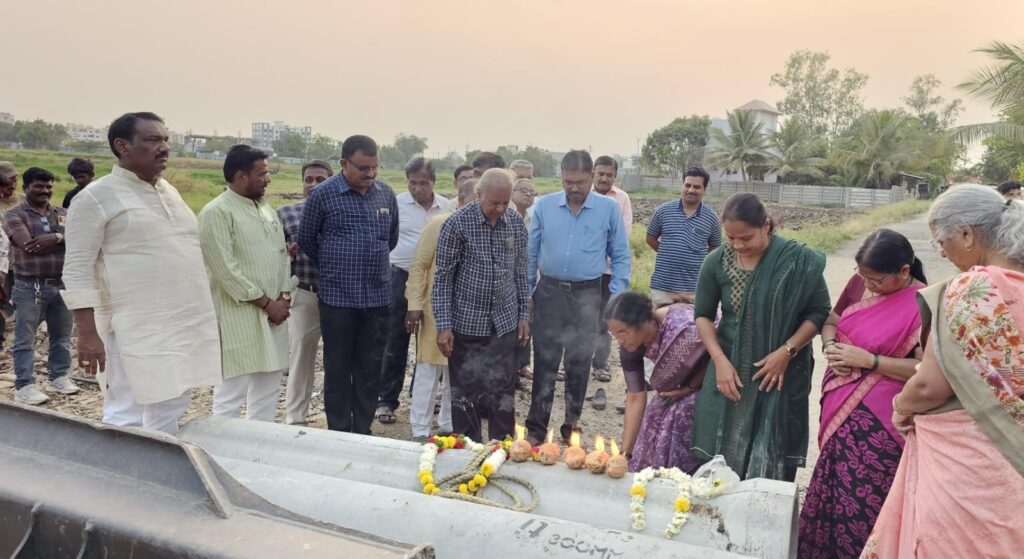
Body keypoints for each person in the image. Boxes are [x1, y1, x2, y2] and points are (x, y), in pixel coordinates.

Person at [863, 185, 1024, 557]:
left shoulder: (972, 290)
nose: (940, 252)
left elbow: (928, 387)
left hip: (969, 469)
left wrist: (901, 407)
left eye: (941, 241)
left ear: (967, 234)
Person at [62, 112, 221, 435]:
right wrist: (87, 334)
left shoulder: (169, 191)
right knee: (126, 412)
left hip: (182, 322)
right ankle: (121, 468)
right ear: (122, 146)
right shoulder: (94, 197)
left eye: (166, 140)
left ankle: (160, 462)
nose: (164, 148)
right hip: (133, 328)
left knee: (173, 402)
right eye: (153, 140)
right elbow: (77, 269)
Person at [797, 229, 927, 559]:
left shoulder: (925, 303)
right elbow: (831, 320)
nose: (868, 285)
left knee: (866, 504)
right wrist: (830, 346)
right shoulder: (861, 283)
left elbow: (925, 370)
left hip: (880, 425)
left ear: (904, 271)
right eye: (863, 275)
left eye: (877, 280)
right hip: (840, 405)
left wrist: (870, 361)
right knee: (831, 491)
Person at [691, 193, 830, 481]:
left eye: (746, 238)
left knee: (772, 455)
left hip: (780, 375)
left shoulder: (798, 261)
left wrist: (786, 352)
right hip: (730, 371)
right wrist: (719, 361)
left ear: (766, 226)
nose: (738, 245)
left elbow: (818, 312)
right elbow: (703, 314)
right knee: (720, 458)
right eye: (731, 237)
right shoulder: (716, 262)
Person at [525, 150, 631, 444]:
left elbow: (620, 254)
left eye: (580, 182)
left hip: (588, 294)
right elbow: (531, 254)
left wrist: (616, 296)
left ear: (592, 177)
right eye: (568, 182)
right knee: (545, 360)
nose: (573, 188)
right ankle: (535, 428)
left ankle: (571, 424)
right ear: (561, 176)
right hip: (549, 292)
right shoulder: (544, 206)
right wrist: (527, 293)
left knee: (579, 361)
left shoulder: (608, 208)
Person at [298, 134, 399, 434]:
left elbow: (391, 239)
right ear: (344, 163)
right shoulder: (323, 195)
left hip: (377, 298)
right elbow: (307, 240)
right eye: (363, 168)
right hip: (337, 299)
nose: (370, 174)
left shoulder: (385, 194)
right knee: (338, 370)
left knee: (370, 370)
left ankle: (363, 431)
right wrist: (336, 266)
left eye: (375, 167)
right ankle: (340, 432)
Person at [432, 169, 529, 443]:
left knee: (503, 390)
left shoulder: (515, 223)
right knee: (466, 392)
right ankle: (468, 450)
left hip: (505, 322)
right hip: (466, 323)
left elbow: (521, 272)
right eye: (494, 203)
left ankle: (502, 449)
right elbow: (443, 279)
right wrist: (444, 326)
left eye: (505, 202)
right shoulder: (457, 224)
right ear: (478, 194)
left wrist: (523, 314)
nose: (500, 209)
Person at [198, 145, 292, 422]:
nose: (268, 179)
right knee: (231, 396)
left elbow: (282, 256)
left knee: (267, 392)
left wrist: (284, 297)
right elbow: (225, 270)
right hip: (238, 318)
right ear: (241, 176)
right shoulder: (217, 212)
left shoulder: (266, 209)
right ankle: (221, 446)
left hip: (273, 317)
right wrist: (267, 304)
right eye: (262, 174)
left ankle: (259, 445)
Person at [377, 157, 449, 425]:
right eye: (412, 183)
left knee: (428, 342)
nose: (417, 188)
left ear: (433, 181)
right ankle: (386, 400)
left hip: (434, 284)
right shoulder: (396, 204)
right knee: (395, 339)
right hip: (400, 277)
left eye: (423, 183)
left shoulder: (447, 207)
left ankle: (420, 397)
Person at [405, 178, 479, 440]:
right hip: (435, 309)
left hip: (468, 313)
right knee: (429, 369)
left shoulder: (484, 229)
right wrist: (414, 304)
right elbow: (419, 265)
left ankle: (449, 424)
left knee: (456, 372)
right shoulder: (438, 224)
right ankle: (420, 429)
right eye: (476, 201)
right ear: (461, 200)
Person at [606, 292, 708, 473]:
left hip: (716, 373)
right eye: (615, 335)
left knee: (680, 410)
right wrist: (624, 454)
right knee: (655, 411)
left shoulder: (682, 327)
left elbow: (713, 353)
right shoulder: (630, 348)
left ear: (642, 323)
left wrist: (689, 387)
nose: (620, 341)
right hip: (680, 385)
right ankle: (647, 472)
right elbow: (635, 397)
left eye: (623, 332)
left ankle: (678, 473)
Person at [4, 167, 77, 405]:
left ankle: (59, 377)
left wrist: (55, 238)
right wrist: (62, 240)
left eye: (48, 186)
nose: (44, 190)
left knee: (61, 336)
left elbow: (79, 239)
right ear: (26, 188)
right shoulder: (14, 215)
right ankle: (24, 385)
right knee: (25, 339)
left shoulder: (63, 213)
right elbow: (28, 245)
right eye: (38, 186)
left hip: (62, 284)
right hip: (29, 286)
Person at [279, 160, 332, 425]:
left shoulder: (342, 212)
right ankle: (295, 418)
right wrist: (286, 255)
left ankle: (338, 418)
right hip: (305, 294)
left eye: (321, 180)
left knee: (339, 360)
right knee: (301, 357)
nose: (313, 185)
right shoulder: (286, 214)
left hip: (339, 297)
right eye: (308, 179)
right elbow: (274, 258)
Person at [647, 166, 721, 308]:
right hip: (663, 287)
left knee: (691, 322)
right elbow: (650, 238)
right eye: (687, 185)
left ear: (704, 190)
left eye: (697, 187)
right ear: (682, 186)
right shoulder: (663, 211)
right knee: (660, 321)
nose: (691, 190)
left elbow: (715, 248)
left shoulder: (711, 218)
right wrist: (668, 252)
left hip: (694, 290)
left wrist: (696, 260)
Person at [591, 155, 633, 383]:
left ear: (615, 176)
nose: (604, 178)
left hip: (608, 271)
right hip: (585, 272)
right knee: (578, 319)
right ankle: (573, 364)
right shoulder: (583, 195)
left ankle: (600, 364)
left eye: (609, 175)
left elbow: (622, 235)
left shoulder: (622, 198)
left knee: (603, 320)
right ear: (593, 173)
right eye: (601, 174)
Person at [510, 177, 537, 381]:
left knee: (526, 321)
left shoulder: (534, 218)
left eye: (532, 192)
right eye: (524, 190)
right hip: (506, 279)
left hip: (528, 278)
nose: (528, 194)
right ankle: (510, 369)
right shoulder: (505, 214)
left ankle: (522, 365)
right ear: (512, 192)